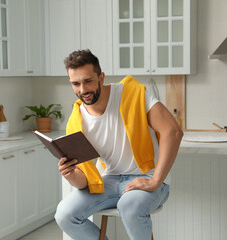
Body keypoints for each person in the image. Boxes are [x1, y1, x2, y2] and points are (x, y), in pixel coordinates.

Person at [55, 49, 183, 240]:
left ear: (101, 77)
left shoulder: (132, 93)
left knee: (128, 206)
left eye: (88, 80)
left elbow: (173, 131)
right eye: (75, 83)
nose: (82, 90)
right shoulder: (76, 121)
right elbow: (82, 182)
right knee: (64, 214)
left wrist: (155, 181)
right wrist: (70, 174)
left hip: (146, 177)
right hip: (109, 180)